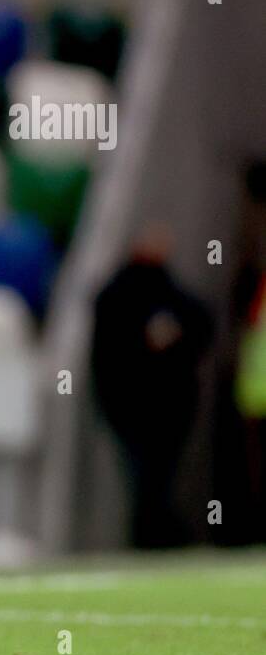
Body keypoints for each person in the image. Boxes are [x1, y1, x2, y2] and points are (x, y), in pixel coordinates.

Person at [93, 224, 212, 548]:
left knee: (158, 474)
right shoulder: (118, 295)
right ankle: (152, 535)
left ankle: (155, 534)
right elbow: (107, 353)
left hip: (167, 404)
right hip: (132, 404)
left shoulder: (172, 295)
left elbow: (201, 325)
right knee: (146, 474)